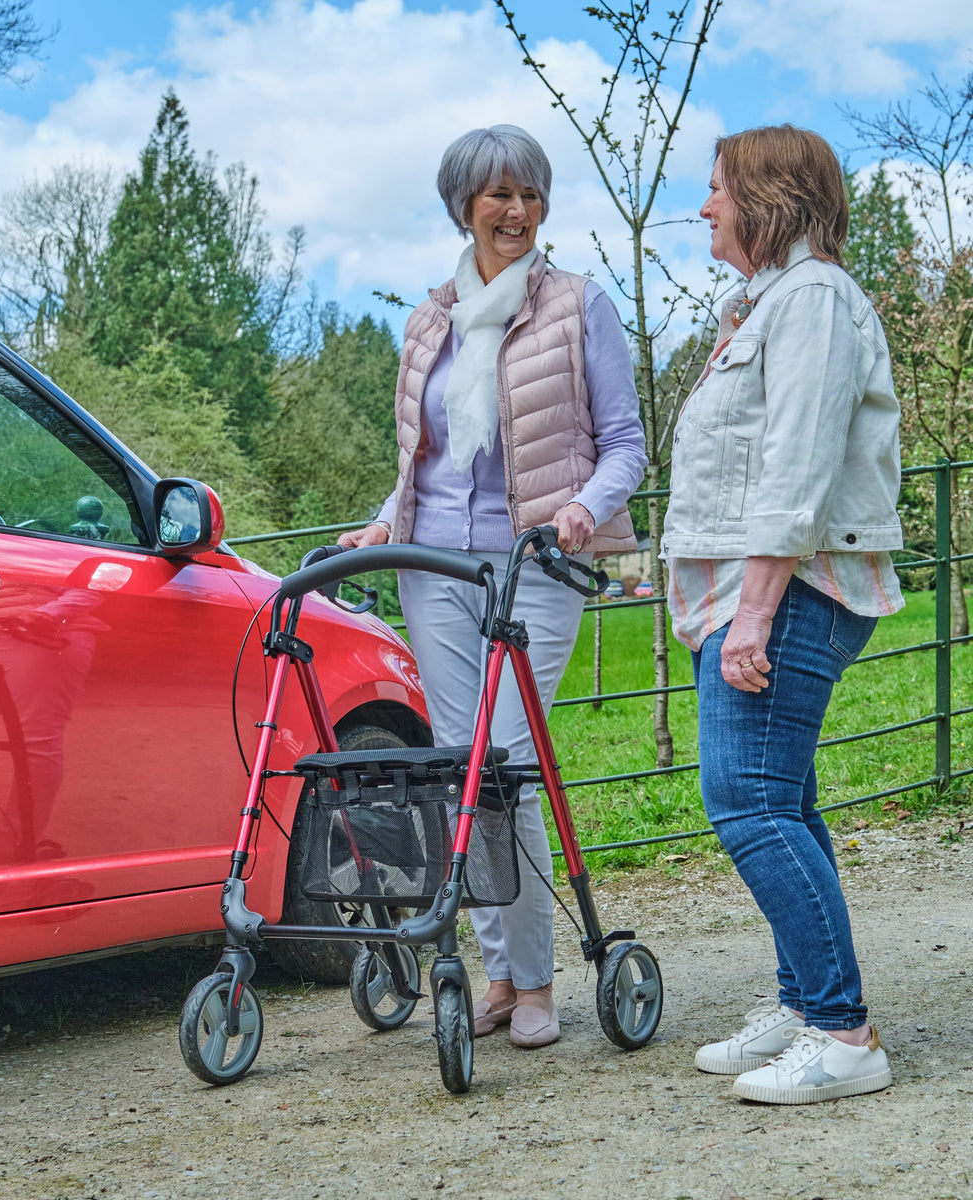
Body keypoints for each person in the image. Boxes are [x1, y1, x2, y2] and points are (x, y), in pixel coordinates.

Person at [340, 125, 646, 1049]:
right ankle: (499, 976)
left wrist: (584, 510)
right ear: (462, 205)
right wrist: (383, 522)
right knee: (457, 772)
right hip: (432, 570)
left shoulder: (579, 307)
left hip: (536, 566)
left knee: (505, 766)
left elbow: (626, 444)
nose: (516, 212)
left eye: (531, 195)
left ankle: (541, 975)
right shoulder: (429, 318)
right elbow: (419, 459)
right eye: (498, 196)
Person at [662, 125, 905, 1103]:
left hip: (786, 589)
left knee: (750, 804)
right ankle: (808, 1006)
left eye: (717, 189)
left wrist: (754, 611)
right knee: (783, 802)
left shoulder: (811, 303)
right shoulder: (772, 305)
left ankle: (845, 1035)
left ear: (764, 196)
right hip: (753, 588)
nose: (707, 206)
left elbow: (798, 465)